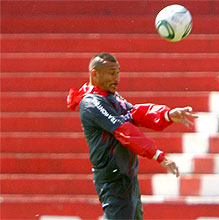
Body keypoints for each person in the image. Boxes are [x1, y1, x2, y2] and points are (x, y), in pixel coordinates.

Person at [67, 52, 198, 219]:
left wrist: (167, 115)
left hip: (126, 176)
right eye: (112, 73)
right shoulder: (92, 103)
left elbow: (135, 113)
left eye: (118, 73)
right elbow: (123, 130)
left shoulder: (111, 97)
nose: (117, 78)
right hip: (113, 179)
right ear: (95, 74)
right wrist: (158, 156)